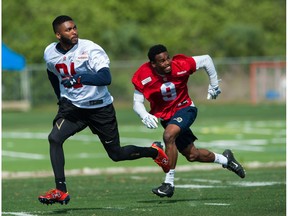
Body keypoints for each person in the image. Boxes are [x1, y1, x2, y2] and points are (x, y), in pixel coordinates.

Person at [38, 16, 170, 205]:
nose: (74, 31)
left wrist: (79, 79)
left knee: (116, 154)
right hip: (74, 108)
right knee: (54, 138)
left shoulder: (90, 49)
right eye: (68, 30)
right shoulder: (50, 51)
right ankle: (61, 190)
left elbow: (105, 77)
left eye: (75, 27)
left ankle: (154, 152)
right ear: (58, 35)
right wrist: (60, 96)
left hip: (100, 108)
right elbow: (51, 71)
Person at [131, 44, 246, 198]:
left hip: (185, 109)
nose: (167, 63)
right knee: (192, 155)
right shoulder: (143, 75)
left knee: (168, 136)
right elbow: (137, 103)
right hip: (167, 117)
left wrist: (214, 84)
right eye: (162, 61)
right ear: (153, 64)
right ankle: (226, 160)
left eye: (167, 58)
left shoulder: (180, 65)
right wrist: (144, 115)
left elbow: (206, 59)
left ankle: (168, 184)